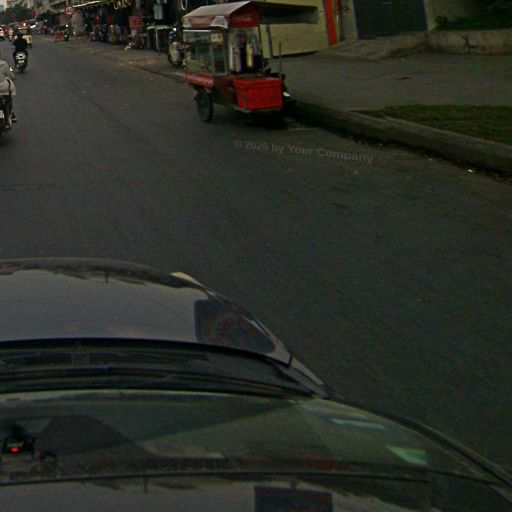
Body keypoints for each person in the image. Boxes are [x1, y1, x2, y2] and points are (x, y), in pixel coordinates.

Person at [0, 50, 17, 127]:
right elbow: (11, 75)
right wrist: (13, 77)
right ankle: (11, 114)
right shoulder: (4, 64)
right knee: (8, 99)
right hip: (4, 88)